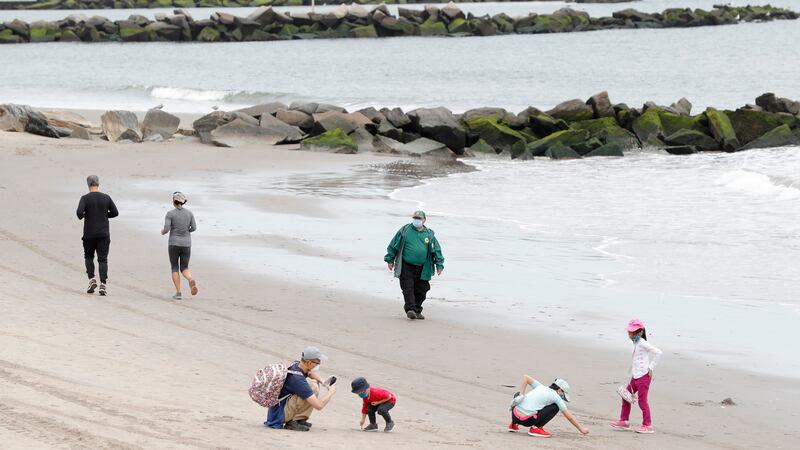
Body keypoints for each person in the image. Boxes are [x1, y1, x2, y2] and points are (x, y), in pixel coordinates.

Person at [384, 210, 444, 320]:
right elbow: (394, 245)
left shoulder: (429, 234)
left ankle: (417, 309)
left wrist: (439, 265)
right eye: (415, 218)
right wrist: (390, 259)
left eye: (419, 219)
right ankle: (410, 310)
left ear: (424, 220)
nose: (417, 220)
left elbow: (436, 250)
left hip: (423, 268)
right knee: (408, 288)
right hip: (406, 266)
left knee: (422, 290)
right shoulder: (405, 230)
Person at [264, 347, 337, 432]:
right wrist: (331, 391)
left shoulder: (297, 365)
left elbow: (310, 373)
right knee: (312, 388)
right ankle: (293, 421)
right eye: (317, 362)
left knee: (314, 384)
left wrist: (323, 382)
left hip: (277, 410)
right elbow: (319, 406)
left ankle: (300, 419)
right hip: (278, 416)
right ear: (309, 362)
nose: (318, 365)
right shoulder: (297, 380)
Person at [610, 318, 663, 434]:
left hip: (643, 377)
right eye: (629, 332)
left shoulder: (643, 343)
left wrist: (651, 367)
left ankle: (647, 425)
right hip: (635, 376)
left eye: (631, 332)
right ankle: (624, 421)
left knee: (642, 401)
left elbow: (658, 352)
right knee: (626, 396)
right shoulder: (635, 342)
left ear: (639, 332)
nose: (629, 334)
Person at [508, 374, 589, 438]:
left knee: (518, 395)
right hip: (527, 421)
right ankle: (536, 428)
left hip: (514, 415)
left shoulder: (540, 386)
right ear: (560, 390)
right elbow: (569, 416)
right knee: (555, 407)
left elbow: (525, 377)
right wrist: (581, 429)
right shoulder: (556, 396)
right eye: (563, 395)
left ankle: (513, 424)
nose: (563, 398)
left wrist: (521, 395)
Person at [76, 175, 118, 296]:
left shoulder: (84, 198)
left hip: (89, 234)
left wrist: (86, 215)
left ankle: (92, 279)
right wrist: (104, 215)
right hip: (103, 234)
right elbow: (115, 212)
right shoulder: (106, 198)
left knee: (89, 256)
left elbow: (79, 214)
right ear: (98, 184)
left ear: (88, 185)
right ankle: (103, 284)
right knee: (103, 259)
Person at [160, 192, 197, 300]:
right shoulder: (189, 213)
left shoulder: (170, 214)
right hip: (186, 244)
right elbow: (194, 228)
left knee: (174, 267)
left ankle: (178, 292)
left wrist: (163, 232)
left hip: (174, 243)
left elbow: (167, 228)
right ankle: (190, 279)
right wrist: (187, 231)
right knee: (184, 267)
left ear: (174, 201)